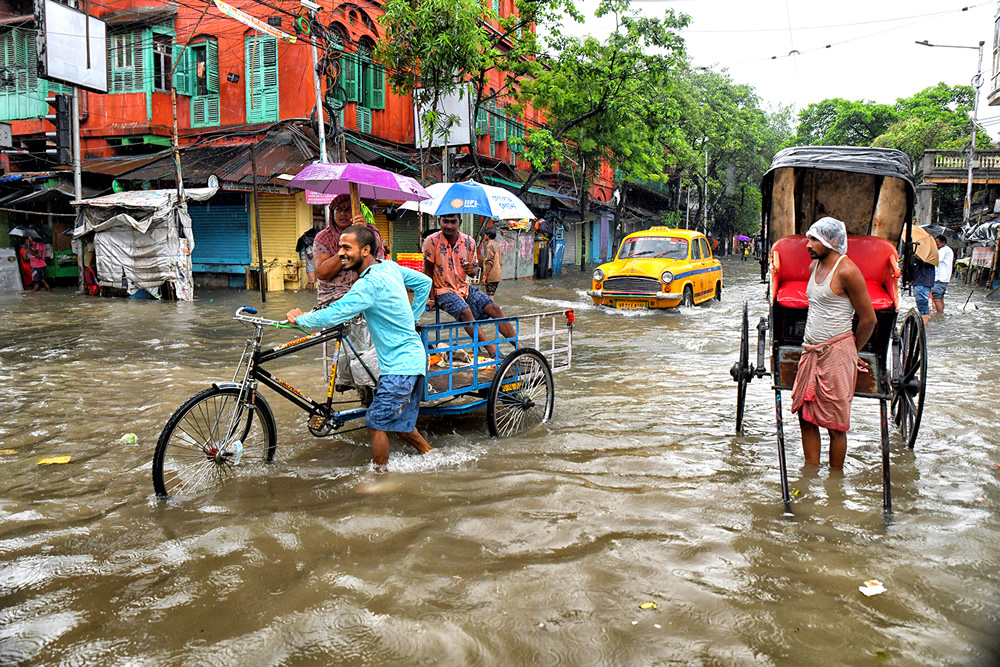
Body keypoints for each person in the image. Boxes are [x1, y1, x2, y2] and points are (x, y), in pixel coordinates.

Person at [286, 225, 433, 468]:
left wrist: (300, 319)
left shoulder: (368, 285)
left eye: (346, 248)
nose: (341, 253)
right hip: (410, 361)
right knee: (399, 425)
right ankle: (433, 457)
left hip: (401, 366)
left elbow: (336, 313)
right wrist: (412, 318)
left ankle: (380, 478)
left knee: (375, 422)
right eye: (339, 247)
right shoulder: (389, 267)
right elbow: (424, 283)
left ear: (365, 250)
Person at [790, 217, 876, 470]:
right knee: (806, 418)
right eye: (809, 237)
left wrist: (851, 351)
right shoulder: (813, 268)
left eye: (815, 239)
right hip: (811, 352)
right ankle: (811, 474)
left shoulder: (847, 270)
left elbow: (869, 320)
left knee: (835, 425)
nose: (808, 244)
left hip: (837, 353)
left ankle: (835, 482)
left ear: (833, 241)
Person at [313, 194, 386, 393]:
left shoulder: (370, 233)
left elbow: (379, 266)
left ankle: (377, 389)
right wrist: (347, 247)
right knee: (350, 351)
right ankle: (353, 382)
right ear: (332, 213)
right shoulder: (324, 237)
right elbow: (322, 272)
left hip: (368, 294)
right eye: (339, 209)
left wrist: (363, 234)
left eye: (349, 209)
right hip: (336, 298)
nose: (345, 213)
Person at [423, 213, 517, 354]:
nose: (449, 225)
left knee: (494, 308)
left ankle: (519, 348)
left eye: (453, 222)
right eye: (445, 222)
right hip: (442, 290)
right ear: (439, 221)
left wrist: (471, 270)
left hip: (464, 287)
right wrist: (430, 298)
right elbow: (428, 272)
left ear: (459, 222)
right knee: (465, 312)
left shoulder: (469, 242)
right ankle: (492, 350)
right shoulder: (431, 241)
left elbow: (473, 271)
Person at [932, 234, 953, 315]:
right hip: (944, 278)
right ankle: (940, 313)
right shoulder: (947, 250)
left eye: (938, 244)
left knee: (937, 298)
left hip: (940, 278)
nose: (936, 246)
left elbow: (936, 259)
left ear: (943, 242)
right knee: (940, 298)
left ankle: (939, 314)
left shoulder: (944, 250)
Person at [912, 253, 935, 326]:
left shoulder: (928, 258)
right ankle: (923, 324)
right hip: (922, 282)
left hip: (922, 282)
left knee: (922, 303)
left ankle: (924, 324)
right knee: (922, 303)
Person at [481, 227, 502, 296]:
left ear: (488, 235)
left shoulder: (489, 246)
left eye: (485, 235)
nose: (484, 236)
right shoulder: (497, 245)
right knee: (491, 294)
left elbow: (489, 262)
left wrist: (485, 277)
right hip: (497, 275)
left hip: (491, 276)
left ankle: (492, 307)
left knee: (490, 295)